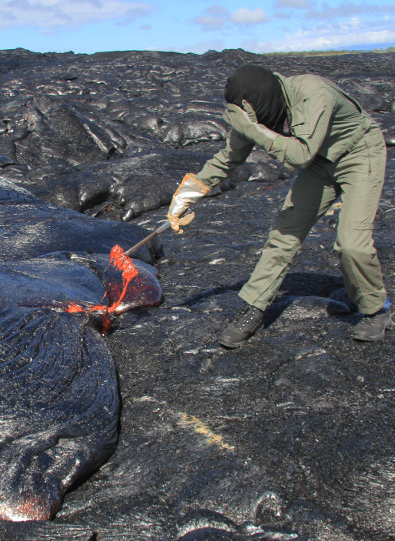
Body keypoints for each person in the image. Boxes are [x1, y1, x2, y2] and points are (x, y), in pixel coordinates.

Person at [167, 64, 391, 348]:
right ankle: (255, 307)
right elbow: (228, 158)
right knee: (283, 235)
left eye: (250, 116)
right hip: (318, 166)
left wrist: (251, 127)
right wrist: (187, 194)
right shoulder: (251, 115)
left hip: (359, 154)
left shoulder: (313, 92)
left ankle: (376, 309)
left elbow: (299, 155)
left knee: (351, 244)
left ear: (261, 102)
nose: (247, 122)